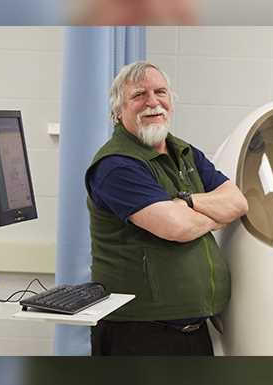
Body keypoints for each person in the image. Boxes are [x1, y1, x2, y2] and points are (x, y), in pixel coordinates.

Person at [85, 61, 248, 356]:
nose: (152, 102)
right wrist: (215, 216)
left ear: (171, 102)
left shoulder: (185, 153)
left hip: (194, 333)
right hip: (138, 335)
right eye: (138, 95)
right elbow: (177, 228)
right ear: (117, 112)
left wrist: (188, 202)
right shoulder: (116, 166)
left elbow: (237, 202)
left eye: (160, 92)